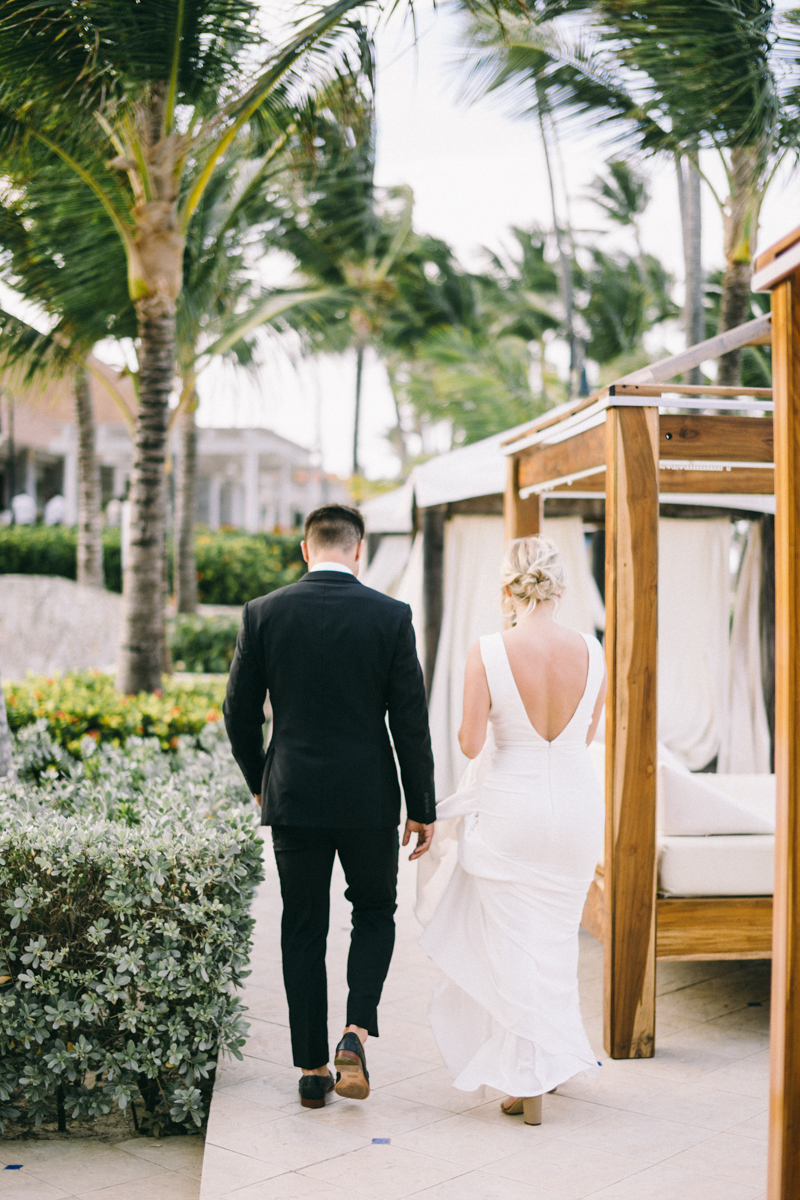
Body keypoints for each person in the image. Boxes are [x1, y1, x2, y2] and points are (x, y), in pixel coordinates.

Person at [224, 503, 436, 1110]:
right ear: (359, 549)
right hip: (369, 796)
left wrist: (260, 780)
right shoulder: (391, 616)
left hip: (293, 795)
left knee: (302, 925)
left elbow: (238, 713)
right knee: (373, 911)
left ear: (304, 549)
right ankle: (355, 1031)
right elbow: (410, 721)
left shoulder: (263, 613)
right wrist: (421, 805)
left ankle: (313, 1069)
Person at [418, 535, 606, 1126]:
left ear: (507, 589)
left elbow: (472, 742)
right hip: (574, 812)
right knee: (553, 945)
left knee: (510, 947)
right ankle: (540, 1072)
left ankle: (529, 1083)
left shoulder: (489, 650)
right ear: (558, 585)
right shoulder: (594, 651)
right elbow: (588, 737)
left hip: (510, 812)